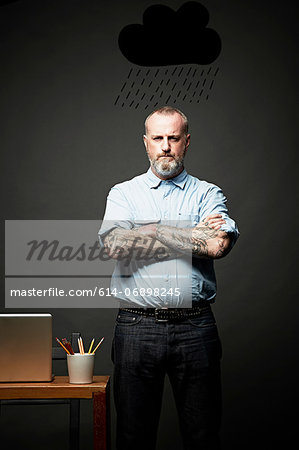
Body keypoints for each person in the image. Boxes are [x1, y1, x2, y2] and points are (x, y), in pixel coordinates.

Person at [98, 106, 239, 450]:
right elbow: (115, 246)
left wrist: (152, 229)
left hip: (196, 328)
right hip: (136, 327)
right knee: (133, 437)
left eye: (173, 138)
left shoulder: (208, 194)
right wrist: (189, 234)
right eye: (158, 138)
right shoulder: (124, 193)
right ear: (146, 143)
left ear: (186, 142)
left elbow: (217, 244)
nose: (165, 146)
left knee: (203, 436)